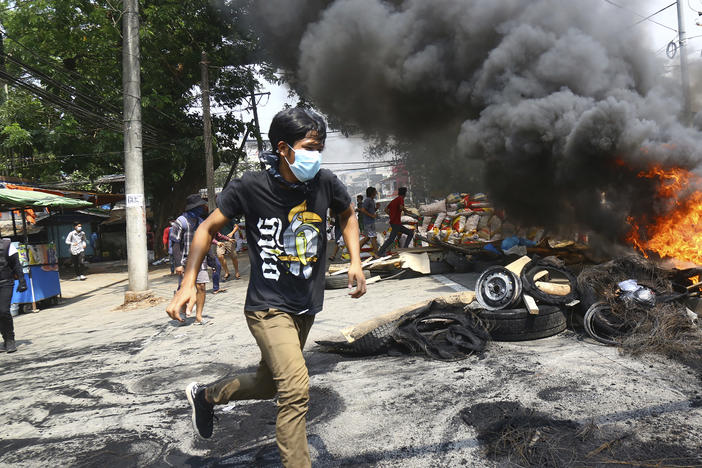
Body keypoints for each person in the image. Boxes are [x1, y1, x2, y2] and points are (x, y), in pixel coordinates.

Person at [166, 108, 366, 468]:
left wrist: (355, 261)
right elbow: (206, 229)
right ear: (284, 148)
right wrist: (187, 282)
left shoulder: (325, 182)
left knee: (268, 383)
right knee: (295, 389)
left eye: (320, 148)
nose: (315, 156)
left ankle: (207, 396)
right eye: (309, 147)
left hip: (304, 305)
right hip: (266, 306)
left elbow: (347, 213)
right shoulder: (251, 185)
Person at [170, 195, 210, 324]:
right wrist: (178, 264)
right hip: (185, 261)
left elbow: (205, 241)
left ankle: (199, 316)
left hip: (200, 261)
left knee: (202, 286)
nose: (202, 209)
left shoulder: (201, 222)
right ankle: (181, 311)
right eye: (200, 207)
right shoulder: (180, 222)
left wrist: (211, 259)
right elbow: (175, 244)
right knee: (184, 288)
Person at [0, 238, 27, 353]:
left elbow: (16, 264)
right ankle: (5, 339)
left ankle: (10, 339)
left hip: (5, 282)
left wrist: (22, 281)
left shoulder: (7, 245)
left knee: (3, 310)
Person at [378, 187, 415, 256]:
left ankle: (405, 248)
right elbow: (401, 207)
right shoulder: (401, 199)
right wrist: (407, 211)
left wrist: (391, 215)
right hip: (396, 223)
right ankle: (380, 252)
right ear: (405, 193)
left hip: (395, 223)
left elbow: (385, 210)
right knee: (391, 239)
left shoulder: (394, 200)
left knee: (410, 233)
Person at [358, 186, 379, 256]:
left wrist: (376, 208)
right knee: (373, 237)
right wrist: (372, 216)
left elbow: (371, 210)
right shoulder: (368, 200)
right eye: (375, 191)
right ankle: (377, 253)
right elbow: (363, 210)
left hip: (370, 222)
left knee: (367, 238)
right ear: (372, 193)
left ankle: (356, 249)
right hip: (368, 222)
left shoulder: (372, 200)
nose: (376, 192)